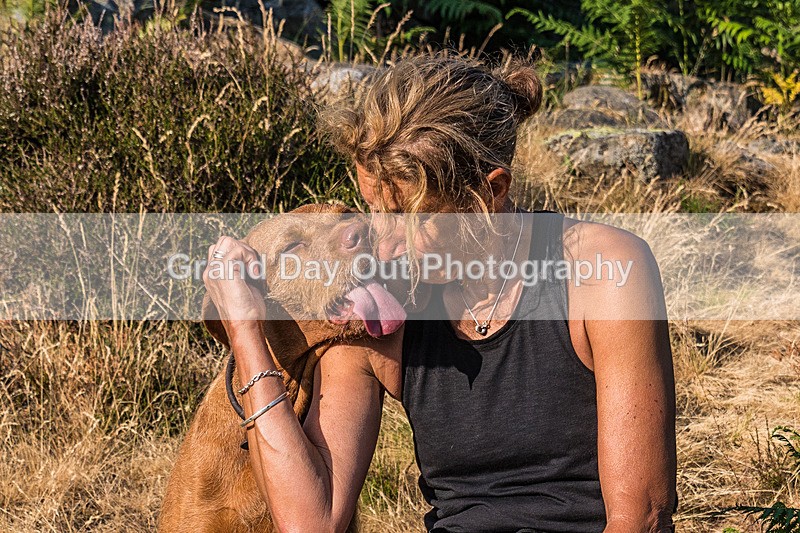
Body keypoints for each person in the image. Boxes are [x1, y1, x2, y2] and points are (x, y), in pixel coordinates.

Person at [203, 53, 677, 532]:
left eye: (411, 217)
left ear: (490, 194)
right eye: (373, 208)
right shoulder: (382, 309)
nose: (382, 243)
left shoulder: (604, 271)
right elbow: (312, 523)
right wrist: (246, 334)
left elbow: (642, 517)